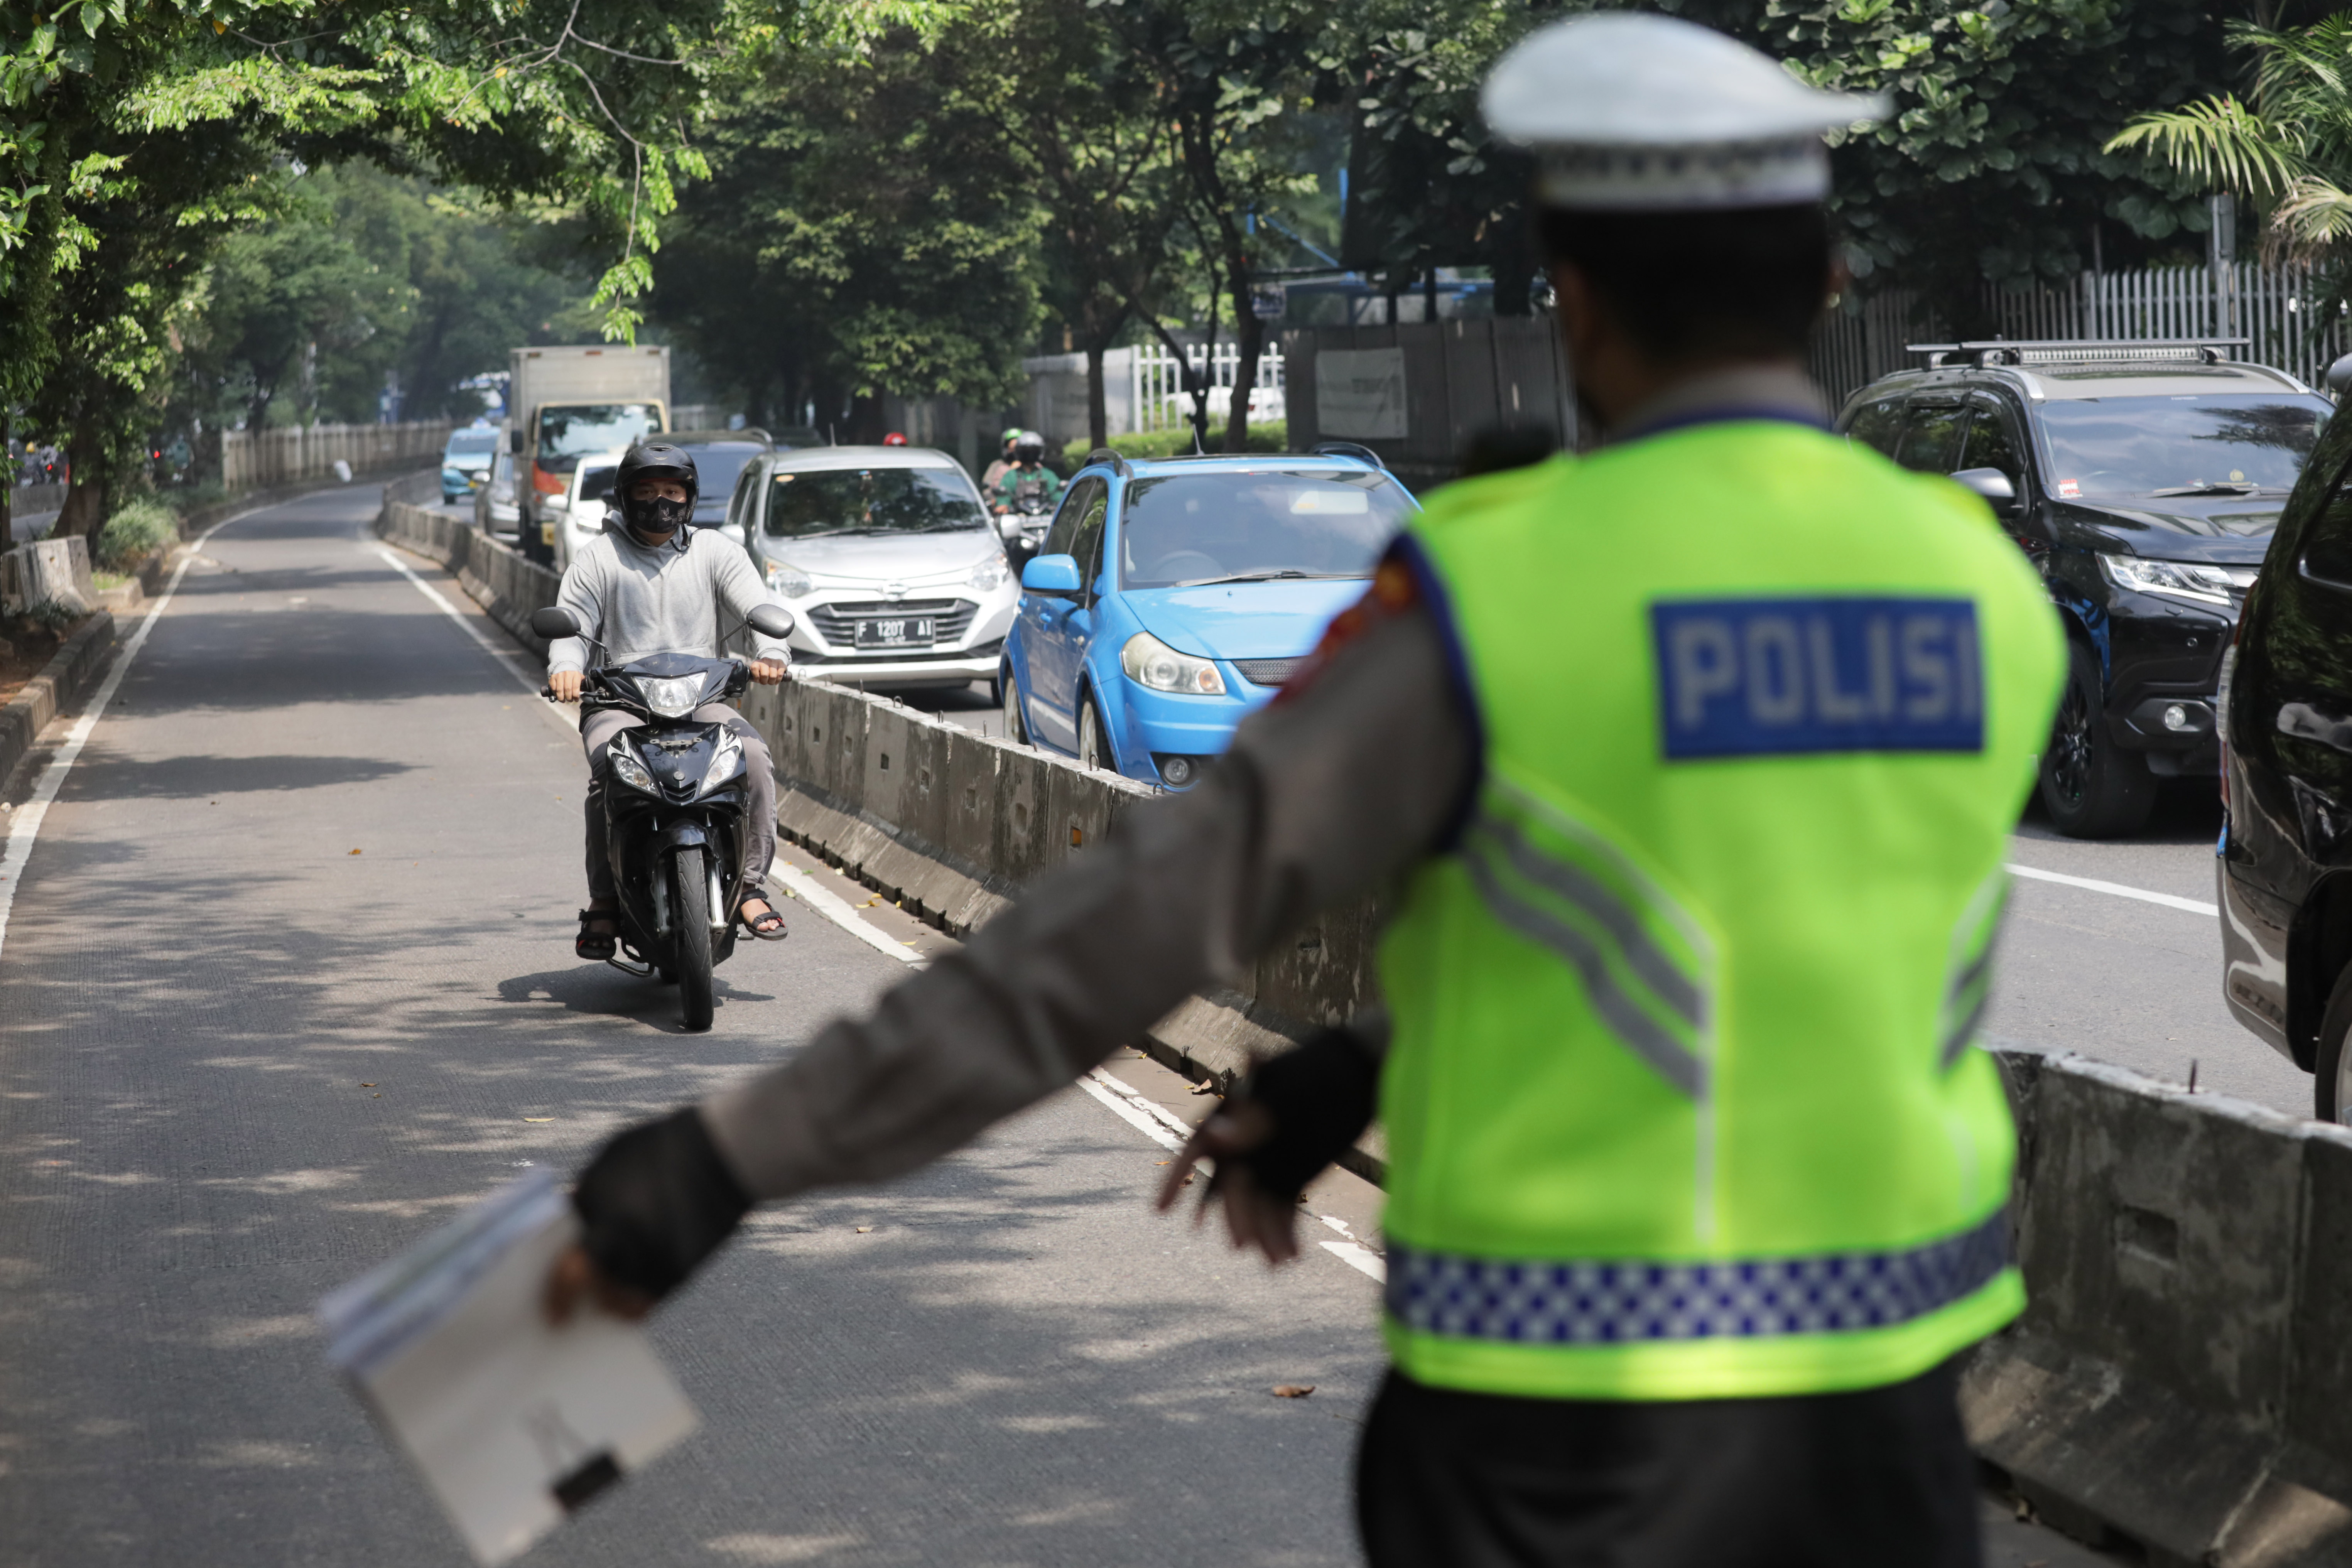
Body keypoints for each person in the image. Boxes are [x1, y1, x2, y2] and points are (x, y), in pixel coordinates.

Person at [546, 15, 2065, 1565]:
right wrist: (1369, 1059)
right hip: (1890, 1423)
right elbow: (1769, 930)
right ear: (1828, 283)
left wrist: (722, 1162)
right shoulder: (1975, 587)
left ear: (1574, 294)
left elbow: (1117, 933)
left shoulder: (1492, 586)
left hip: (1566, 1435)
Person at [546, 441, 794, 959]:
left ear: (690, 497)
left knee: (752, 758)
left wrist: (771, 654)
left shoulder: (715, 551)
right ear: (625, 496)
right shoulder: (598, 558)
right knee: (608, 770)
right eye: (647, 491)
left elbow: (757, 607)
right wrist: (566, 668)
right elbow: (571, 625)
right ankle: (604, 897)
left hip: (702, 701)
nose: (660, 501)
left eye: (672, 491)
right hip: (618, 704)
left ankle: (750, 885)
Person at [991, 430, 1063, 516]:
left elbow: (1058, 496)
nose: (1030, 454)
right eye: (1026, 451)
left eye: (1033, 451)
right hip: (1018, 520)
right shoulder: (1011, 476)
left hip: (1045, 519)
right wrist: (1003, 505)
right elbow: (1004, 497)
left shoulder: (1048, 475)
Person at [980, 429, 1023, 493]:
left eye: (1018, 449)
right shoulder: (997, 466)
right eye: (1012, 449)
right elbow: (987, 491)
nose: (1015, 453)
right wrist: (1011, 471)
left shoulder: (1032, 466)